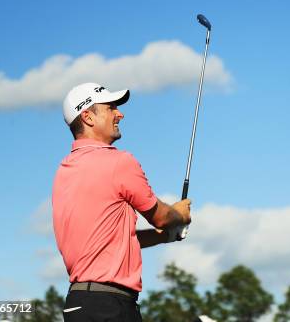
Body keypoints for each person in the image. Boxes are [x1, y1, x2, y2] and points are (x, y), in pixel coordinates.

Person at [52, 82, 192, 322]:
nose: (120, 113)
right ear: (88, 117)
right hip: (110, 306)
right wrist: (180, 214)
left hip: (78, 305)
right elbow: (161, 216)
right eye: (110, 108)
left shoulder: (65, 171)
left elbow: (111, 240)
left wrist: (163, 236)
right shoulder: (119, 162)